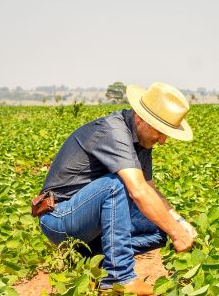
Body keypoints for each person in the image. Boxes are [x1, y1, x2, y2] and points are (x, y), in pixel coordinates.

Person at [37, 82, 198, 295]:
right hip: (59, 218)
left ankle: (93, 258)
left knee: (162, 225)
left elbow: (150, 189)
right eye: (160, 132)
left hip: (88, 223)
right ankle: (118, 277)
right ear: (142, 119)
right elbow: (138, 191)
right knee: (115, 186)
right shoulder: (114, 132)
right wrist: (178, 235)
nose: (163, 141)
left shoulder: (142, 141)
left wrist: (178, 223)